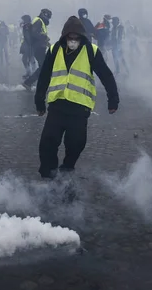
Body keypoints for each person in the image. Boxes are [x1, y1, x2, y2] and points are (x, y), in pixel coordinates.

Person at [35, 16, 119, 179]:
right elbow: (44, 76)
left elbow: (106, 75)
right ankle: (50, 172)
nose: (73, 41)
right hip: (57, 105)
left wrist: (113, 99)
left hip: (80, 107)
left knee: (76, 143)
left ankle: (67, 167)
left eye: (76, 38)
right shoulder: (54, 50)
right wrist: (39, 102)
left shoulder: (91, 51)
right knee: (48, 141)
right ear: (64, 36)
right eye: (70, 38)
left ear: (81, 37)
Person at [22, 8, 52, 90]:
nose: (48, 19)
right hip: (38, 47)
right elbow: (35, 34)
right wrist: (44, 37)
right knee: (44, 66)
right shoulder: (38, 21)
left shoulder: (40, 21)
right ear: (45, 15)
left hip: (40, 47)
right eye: (48, 17)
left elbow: (39, 34)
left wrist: (47, 43)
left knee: (44, 66)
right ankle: (28, 82)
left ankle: (43, 83)